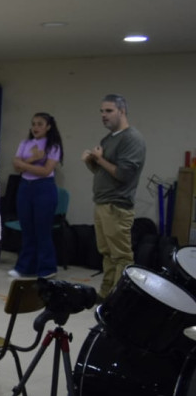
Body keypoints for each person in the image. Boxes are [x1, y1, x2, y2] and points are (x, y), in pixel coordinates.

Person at [82, 94, 146, 298]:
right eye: (101, 111)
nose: (104, 115)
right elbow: (103, 173)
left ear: (122, 111)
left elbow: (124, 175)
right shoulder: (108, 139)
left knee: (121, 257)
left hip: (116, 206)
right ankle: (105, 294)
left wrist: (100, 160)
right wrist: (91, 162)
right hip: (102, 203)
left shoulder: (131, 138)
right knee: (107, 254)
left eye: (109, 111)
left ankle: (119, 300)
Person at [9, 113, 63, 279]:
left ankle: (47, 268)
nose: (35, 127)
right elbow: (16, 167)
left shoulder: (53, 146)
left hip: (44, 188)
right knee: (27, 229)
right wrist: (33, 159)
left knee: (42, 229)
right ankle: (25, 267)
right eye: (33, 124)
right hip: (25, 187)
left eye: (40, 124)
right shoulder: (25, 143)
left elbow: (45, 171)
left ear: (48, 127)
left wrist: (24, 164)